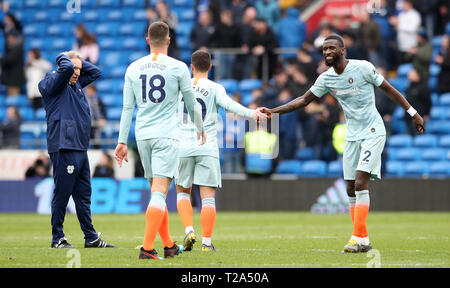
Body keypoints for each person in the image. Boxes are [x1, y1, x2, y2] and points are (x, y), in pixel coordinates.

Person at [260, 34, 425, 253]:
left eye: (331, 48)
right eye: (324, 49)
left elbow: (388, 89)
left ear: (342, 50)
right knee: (349, 188)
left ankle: (356, 237)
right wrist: (274, 111)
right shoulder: (326, 78)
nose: (327, 52)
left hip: (373, 131)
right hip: (352, 134)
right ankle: (363, 238)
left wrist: (413, 112)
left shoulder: (363, 68)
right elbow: (303, 100)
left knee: (359, 183)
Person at [113, 21, 206, 260]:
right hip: (166, 135)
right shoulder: (178, 67)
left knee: (156, 191)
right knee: (160, 193)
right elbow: (191, 102)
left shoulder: (133, 68)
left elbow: (127, 108)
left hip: (142, 135)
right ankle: (146, 248)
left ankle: (168, 244)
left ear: (147, 40)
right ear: (168, 40)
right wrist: (200, 127)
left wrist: (122, 141)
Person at [175, 50, 266, 252]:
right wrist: (253, 113)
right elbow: (230, 105)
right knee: (207, 197)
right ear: (210, 67)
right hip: (206, 146)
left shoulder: (181, 87)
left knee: (182, 192)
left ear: (191, 67)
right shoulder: (215, 88)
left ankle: (189, 230)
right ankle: (207, 243)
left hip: (182, 146)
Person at [38, 51, 114, 249]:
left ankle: (91, 237)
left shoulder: (77, 85)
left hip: (80, 146)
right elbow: (68, 69)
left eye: (80, 69)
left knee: (83, 195)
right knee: (62, 193)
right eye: (74, 68)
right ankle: (58, 238)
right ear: (62, 67)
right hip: (64, 145)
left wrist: (77, 61)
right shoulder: (52, 83)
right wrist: (63, 57)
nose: (78, 72)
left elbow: (95, 71)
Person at [0, 29, 25, 96]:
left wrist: (1, 58)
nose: (9, 39)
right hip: (11, 80)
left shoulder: (18, 48)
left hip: (15, 81)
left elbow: (8, 60)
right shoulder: (13, 48)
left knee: (13, 100)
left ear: (14, 37)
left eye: (10, 37)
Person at [85, 85, 106, 149]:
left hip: (96, 123)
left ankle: (97, 150)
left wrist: (103, 119)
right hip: (86, 123)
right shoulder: (83, 100)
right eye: (89, 90)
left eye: (92, 91)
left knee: (97, 139)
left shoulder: (98, 100)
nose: (90, 92)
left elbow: (103, 110)